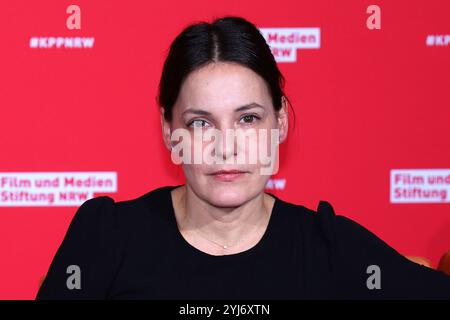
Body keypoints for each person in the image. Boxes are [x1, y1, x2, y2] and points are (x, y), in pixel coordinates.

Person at [36, 16, 450, 300]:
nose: (226, 146)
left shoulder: (327, 247)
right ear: (168, 129)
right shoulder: (108, 236)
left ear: (281, 123)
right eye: (201, 123)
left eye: (248, 119)